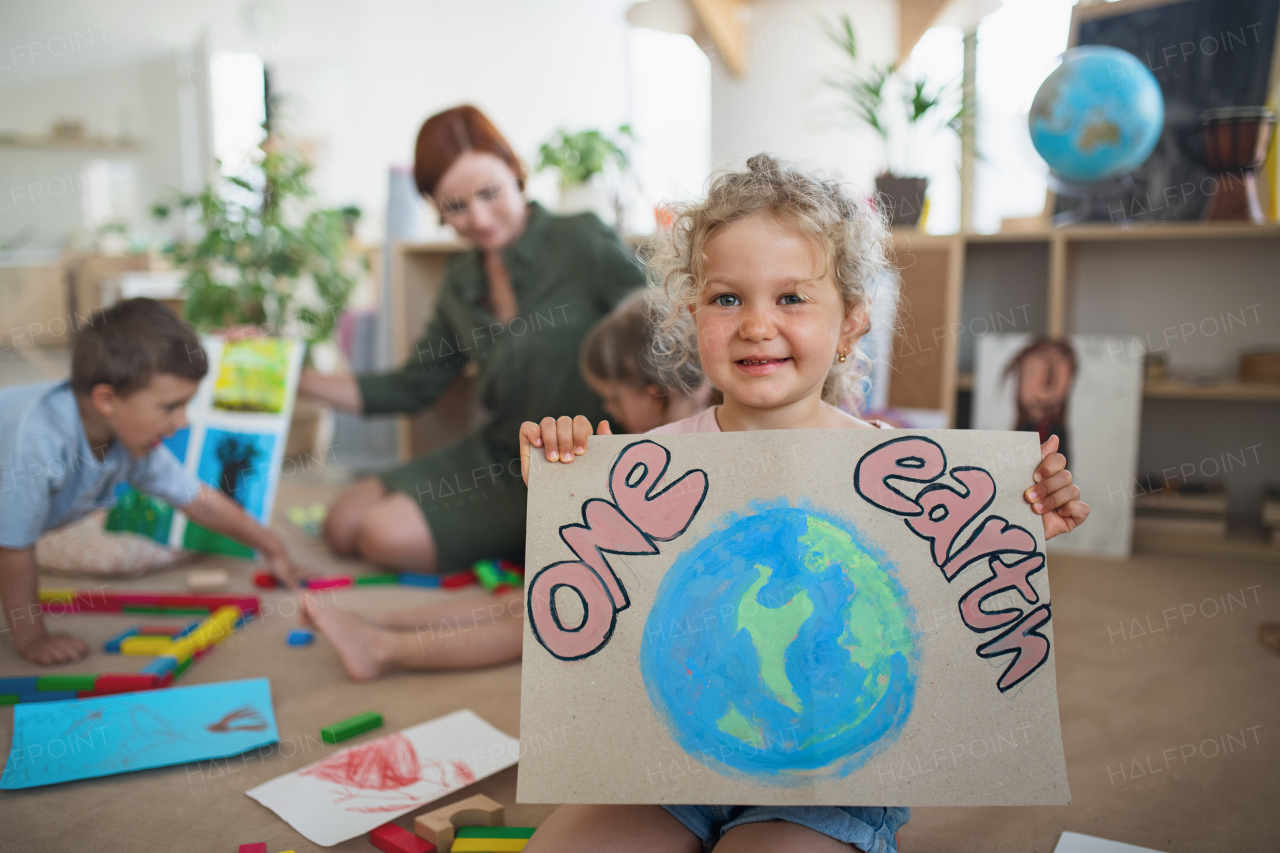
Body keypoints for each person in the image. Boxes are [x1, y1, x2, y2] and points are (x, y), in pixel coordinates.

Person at [518, 154, 1089, 853]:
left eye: (791, 298)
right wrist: (564, 479)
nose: (757, 324)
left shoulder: (903, 469)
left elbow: (965, 589)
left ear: (851, 322)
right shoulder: (652, 464)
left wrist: (1026, 521)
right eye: (728, 299)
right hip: (667, 756)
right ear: (691, 312)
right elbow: (596, 602)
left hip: (834, 775)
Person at [298, 105, 644, 575]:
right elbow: (411, 387)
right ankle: (528, 541)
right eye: (456, 206)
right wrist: (297, 379)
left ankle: (548, 539)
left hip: (576, 460)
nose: (479, 218)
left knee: (380, 535)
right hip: (502, 451)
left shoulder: (580, 238)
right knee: (342, 523)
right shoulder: (460, 280)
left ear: (515, 172)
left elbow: (659, 328)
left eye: (489, 193)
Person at [299, 292, 714, 680]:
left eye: (614, 400)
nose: (608, 410)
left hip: (665, 609)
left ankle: (380, 647)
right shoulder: (659, 434)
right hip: (623, 581)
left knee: (535, 621)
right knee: (517, 600)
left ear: (654, 392)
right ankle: (377, 622)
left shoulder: (693, 446)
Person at [0, 299, 303, 666]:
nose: (183, 422)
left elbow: (198, 500)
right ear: (107, 400)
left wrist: (271, 547)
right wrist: (32, 640)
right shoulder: (36, 442)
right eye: (170, 407)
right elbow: (13, 549)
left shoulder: (133, 444)